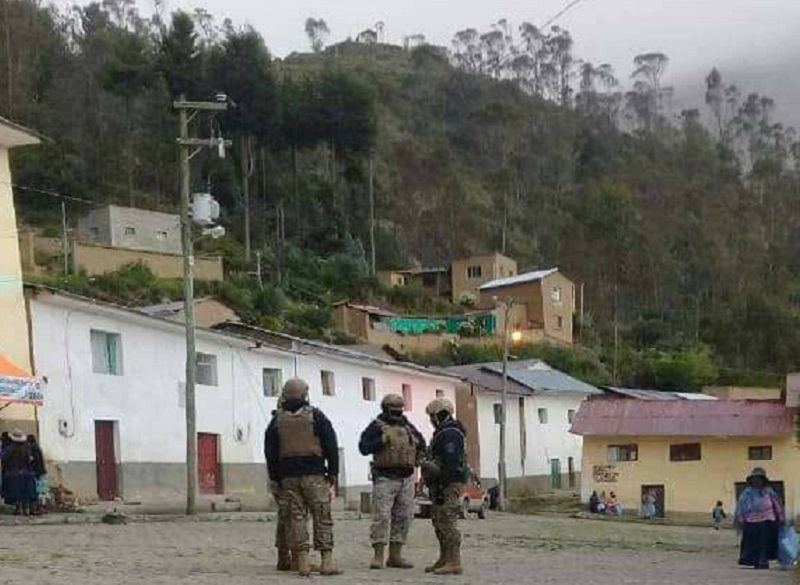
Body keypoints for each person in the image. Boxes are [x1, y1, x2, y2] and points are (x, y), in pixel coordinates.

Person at [265, 378, 342, 577]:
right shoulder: (316, 416)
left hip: (288, 477)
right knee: (322, 516)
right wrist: (333, 472)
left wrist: (275, 477)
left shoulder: (277, 420)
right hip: (314, 475)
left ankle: (303, 563)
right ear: (305, 394)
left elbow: (270, 452)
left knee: (296, 519)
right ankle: (326, 562)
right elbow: (330, 444)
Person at [359, 393, 426, 570]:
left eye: (399, 410)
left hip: (406, 478)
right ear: (385, 409)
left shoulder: (408, 426)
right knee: (381, 517)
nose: (396, 414)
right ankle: (378, 555)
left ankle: (395, 555)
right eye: (393, 410)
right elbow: (363, 447)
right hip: (384, 477)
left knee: (404, 516)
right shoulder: (376, 426)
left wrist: (418, 456)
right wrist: (382, 440)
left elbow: (422, 443)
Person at [421, 398, 468, 576]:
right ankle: (444, 558)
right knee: (439, 522)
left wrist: (441, 485)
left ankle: (454, 561)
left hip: (449, 482)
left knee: (448, 521)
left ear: (440, 414)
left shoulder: (450, 433)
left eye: (432, 416)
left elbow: (450, 462)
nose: (431, 420)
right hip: (440, 483)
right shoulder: (442, 432)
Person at [735, 467, 783, 569]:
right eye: (754, 479)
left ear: (763, 480)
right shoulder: (747, 492)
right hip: (751, 521)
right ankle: (755, 560)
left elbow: (776, 504)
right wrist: (740, 519)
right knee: (753, 542)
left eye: (759, 479)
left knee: (765, 542)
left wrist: (781, 516)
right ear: (751, 480)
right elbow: (740, 506)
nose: (757, 481)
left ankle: (763, 560)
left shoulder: (769, 491)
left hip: (768, 520)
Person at [1, 429, 37, 515]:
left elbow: (3, 457)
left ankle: (19, 509)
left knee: (16, 492)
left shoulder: (10, 448)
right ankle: (26, 509)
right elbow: (30, 460)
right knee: (26, 492)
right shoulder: (26, 448)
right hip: (26, 473)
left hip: (13, 473)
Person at [26, 435, 47, 515]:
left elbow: (33, 461)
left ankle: (37, 508)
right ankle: (42, 507)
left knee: (36, 491)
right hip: (41, 471)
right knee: (41, 491)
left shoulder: (32, 449)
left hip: (36, 472)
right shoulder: (37, 448)